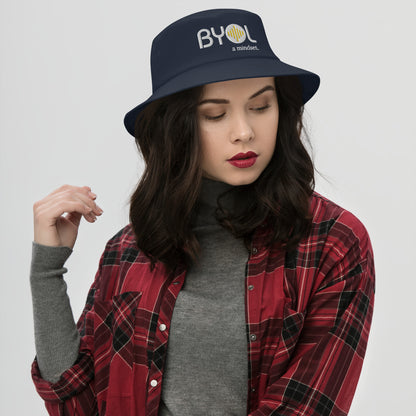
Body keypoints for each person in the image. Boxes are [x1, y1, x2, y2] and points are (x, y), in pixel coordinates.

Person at [30, 8, 375, 416]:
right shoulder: (128, 252)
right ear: (176, 127)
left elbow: (307, 407)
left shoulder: (333, 244)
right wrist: (46, 273)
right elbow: (80, 407)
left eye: (261, 106)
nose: (244, 131)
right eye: (215, 113)